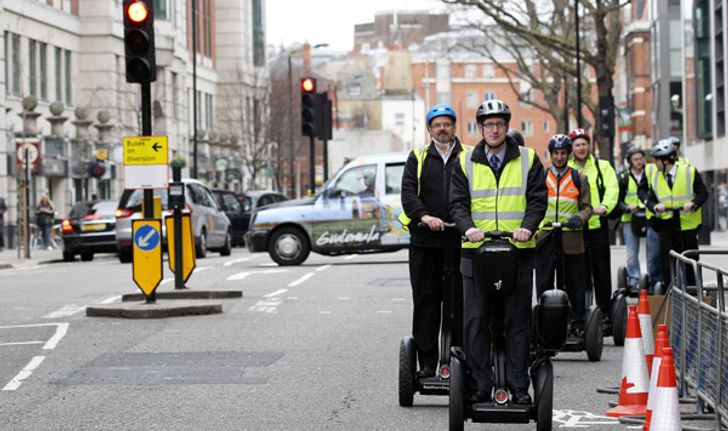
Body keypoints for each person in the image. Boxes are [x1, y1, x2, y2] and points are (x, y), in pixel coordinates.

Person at [450, 99, 547, 404]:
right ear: (480, 128)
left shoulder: (529, 159)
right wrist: (467, 228)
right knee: (476, 321)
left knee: (517, 322)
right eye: (488, 125)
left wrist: (528, 227)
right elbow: (457, 204)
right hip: (476, 255)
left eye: (499, 124)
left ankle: (519, 386)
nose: (493, 130)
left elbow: (537, 201)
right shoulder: (465, 162)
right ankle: (479, 385)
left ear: (507, 127)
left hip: (517, 252)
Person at [399, 104, 466, 378]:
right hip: (426, 243)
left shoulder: (469, 156)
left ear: (454, 127)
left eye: (447, 124)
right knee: (427, 302)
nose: (442, 128)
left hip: (459, 242)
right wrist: (425, 216)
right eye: (437, 124)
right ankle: (427, 363)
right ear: (429, 129)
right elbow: (407, 195)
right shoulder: (418, 157)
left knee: (459, 302)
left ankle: (459, 359)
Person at [535, 134, 592, 338]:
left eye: (563, 153)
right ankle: (545, 324)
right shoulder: (541, 177)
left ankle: (577, 323)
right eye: (555, 153)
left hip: (571, 239)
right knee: (544, 283)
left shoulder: (579, 177)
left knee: (575, 284)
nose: (559, 157)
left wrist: (580, 218)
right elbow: (534, 206)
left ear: (568, 155)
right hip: (546, 238)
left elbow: (587, 207)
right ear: (550, 155)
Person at [567, 128, 619, 328]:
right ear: (572, 147)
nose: (581, 147)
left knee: (601, 272)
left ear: (589, 145)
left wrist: (605, 207)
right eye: (577, 144)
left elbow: (612, 189)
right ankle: (579, 314)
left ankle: (604, 312)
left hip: (597, 225)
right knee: (578, 273)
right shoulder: (568, 167)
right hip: (576, 229)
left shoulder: (602, 166)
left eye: (584, 144)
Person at [645, 139, 708, 285]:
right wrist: (655, 207)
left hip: (687, 226)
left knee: (691, 262)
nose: (655, 163)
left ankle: (694, 295)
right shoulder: (655, 176)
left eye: (657, 160)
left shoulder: (689, 171)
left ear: (667, 160)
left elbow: (703, 194)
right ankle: (670, 293)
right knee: (667, 263)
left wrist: (693, 203)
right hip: (666, 225)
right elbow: (649, 200)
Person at [617, 147, 653, 287]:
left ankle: (650, 277)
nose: (639, 162)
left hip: (648, 217)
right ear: (630, 162)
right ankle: (634, 278)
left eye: (640, 159)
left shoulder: (650, 175)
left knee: (651, 250)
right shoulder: (623, 177)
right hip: (630, 220)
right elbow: (617, 200)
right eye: (635, 159)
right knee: (632, 252)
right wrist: (626, 207)